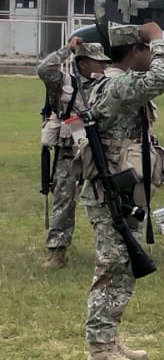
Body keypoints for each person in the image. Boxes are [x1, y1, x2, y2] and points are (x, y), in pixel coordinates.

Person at [81, 21, 164, 360]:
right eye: (146, 50)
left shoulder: (116, 84)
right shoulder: (119, 85)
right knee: (111, 266)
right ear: (136, 51)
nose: (151, 56)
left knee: (123, 267)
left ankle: (110, 339)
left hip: (121, 190)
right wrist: (160, 39)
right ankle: (100, 351)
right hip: (109, 194)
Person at [38, 36, 109, 269]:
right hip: (69, 152)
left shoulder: (108, 86)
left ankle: (109, 250)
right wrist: (67, 50)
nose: (103, 66)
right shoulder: (63, 84)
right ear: (82, 63)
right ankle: (57, 251)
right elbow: (44, 68)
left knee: (106, 201)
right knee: (64, 201)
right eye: (97, 62)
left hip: (100, 151)